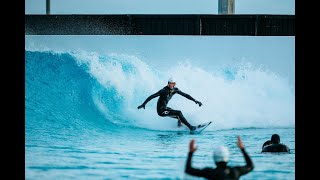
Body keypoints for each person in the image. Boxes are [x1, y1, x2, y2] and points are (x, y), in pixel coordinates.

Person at [137, 78, 202, 131]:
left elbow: (185, 95)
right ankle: (191, 127)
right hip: (161, 111)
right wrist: (143, 104)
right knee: (179, 113)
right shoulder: (163, 90)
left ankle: (179, 127)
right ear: (168, 83)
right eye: (170, 83)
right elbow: (152, 96)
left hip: (165, 108)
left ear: (174, 84)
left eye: (173, 84)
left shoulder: (175, 90)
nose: (171, 85)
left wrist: (195, 100)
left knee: (179, 116)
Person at [185, 136, 254, 180]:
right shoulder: (236, 171)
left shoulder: (210, 172)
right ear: (227, 157)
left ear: (214, 159)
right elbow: (250, 166)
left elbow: (189, 170)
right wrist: (242, 149)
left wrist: (191, 153)